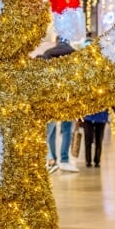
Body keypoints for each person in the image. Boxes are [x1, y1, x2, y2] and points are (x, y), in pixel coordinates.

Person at [41, 37, 78, 173]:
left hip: (50, 98)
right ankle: (64, 160)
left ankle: (52, 160)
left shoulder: (48, 53)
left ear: (57, 41)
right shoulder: (74, 53)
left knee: (50, 131)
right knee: (66, 129)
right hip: (67, 98)